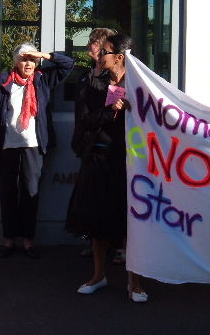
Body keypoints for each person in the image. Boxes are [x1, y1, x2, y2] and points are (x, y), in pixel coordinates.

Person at [66, 33, 147, 302]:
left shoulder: (141, 84)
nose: (99, 57)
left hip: (131, 162)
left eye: (105, 53)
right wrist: (110, 110)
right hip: (98, 159)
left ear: (120, 57)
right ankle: (98, 275)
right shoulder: (93, 83)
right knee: (97, 221)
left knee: (131, 223)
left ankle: (134, 283)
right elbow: (84, 122)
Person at [0, 43, 73, 259]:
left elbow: (68, 64)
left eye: (32, 60)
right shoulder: (4, 81)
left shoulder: (42, 80)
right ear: (15, 62)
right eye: (24, 59)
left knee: (30, 194)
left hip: (33, 146)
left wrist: (42, 54)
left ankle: (28, 241)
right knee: (8, 194)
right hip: (8, 146)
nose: (28, 64)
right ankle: (8, 240)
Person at [70, 28, 118, 259]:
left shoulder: (113, 79)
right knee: (90, 202)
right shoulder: (87, 74)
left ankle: (116, 246)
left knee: (111, 201)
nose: (88, 46)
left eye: (92, 42)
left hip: (109, 147)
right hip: (88, 145)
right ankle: (94, 243)